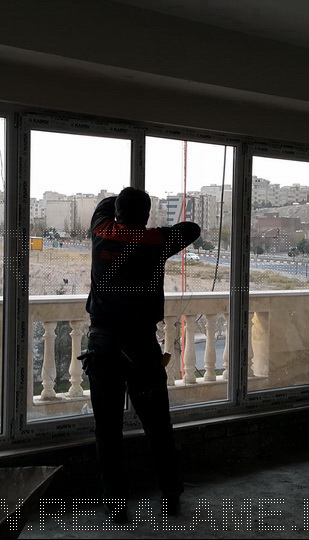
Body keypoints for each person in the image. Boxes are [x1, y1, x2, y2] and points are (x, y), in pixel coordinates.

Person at [82, 187, 200, 523]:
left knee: (108, 429)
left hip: (104, 344)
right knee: (157, 424)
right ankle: (170, 495)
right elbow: (192, 229)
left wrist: (119, 205)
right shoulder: (156, 241)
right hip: (141, 346)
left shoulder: (101, 232)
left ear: (117, 212)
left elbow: (103, 206)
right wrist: (152, 229)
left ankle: (117, 506)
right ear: (146, 216)